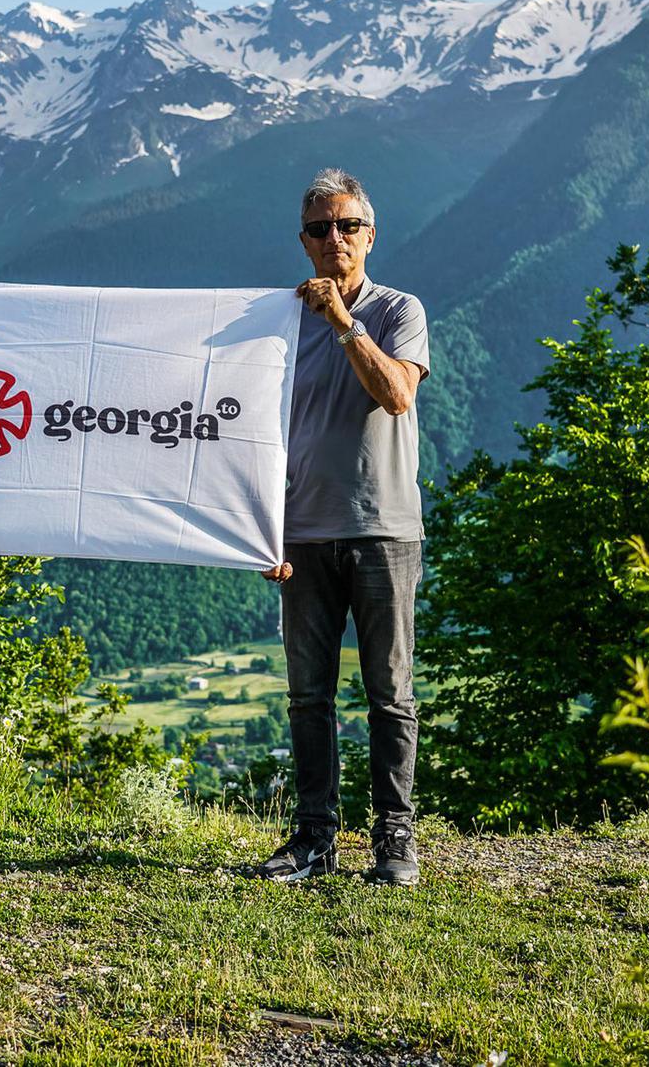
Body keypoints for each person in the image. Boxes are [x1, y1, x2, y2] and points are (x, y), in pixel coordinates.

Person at [250, 168, 429, 887]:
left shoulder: (398, 309)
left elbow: (395, 394)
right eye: (320, 228)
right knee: (307, 694)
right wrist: (257, 526)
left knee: (390, 692)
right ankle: (315, 837)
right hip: (300, 532)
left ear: (370, 235)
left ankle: (394, 839)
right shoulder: (275, 321)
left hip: (385, 529)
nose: (335, 239)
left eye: (347, 226)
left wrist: (342, 323)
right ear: (303, 241)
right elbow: (247, 429)